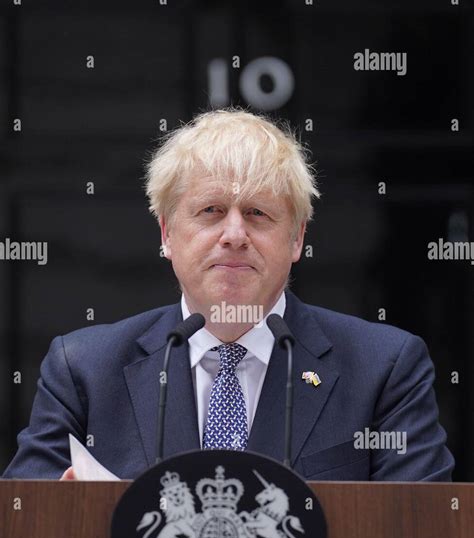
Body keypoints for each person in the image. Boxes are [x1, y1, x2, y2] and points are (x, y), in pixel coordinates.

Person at [2, 109, 454, 481]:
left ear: (297, 239)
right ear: (167, 233)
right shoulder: (83, 370)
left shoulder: (386, 369)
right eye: (211, 211)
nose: (234, 234)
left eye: (258, 213)